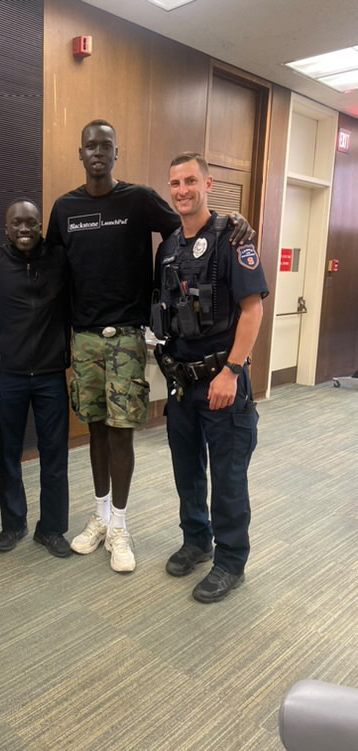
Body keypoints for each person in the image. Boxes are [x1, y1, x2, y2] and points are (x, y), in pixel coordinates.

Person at [46, 120, 254, 573]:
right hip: (83, 340)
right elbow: (47, 266)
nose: (98, 153)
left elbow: (190, 228)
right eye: (90, 147)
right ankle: (100, 517)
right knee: (95, 431)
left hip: (124, 337)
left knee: (121, 433)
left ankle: (120, 525)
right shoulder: (64, 208)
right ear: (80, 153)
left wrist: (232, 220)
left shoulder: (138, 199)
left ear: (116, 152)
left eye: (106, 146)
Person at [152, 152, 268, 602]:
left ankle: (231, 561)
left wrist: (232, 372)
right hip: (182, 383)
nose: (182, 190)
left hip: (222, 381)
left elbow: (252, 310)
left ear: (208, 183)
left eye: (190, 181)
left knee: (228, 475)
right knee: (187, 471)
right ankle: (197, 541)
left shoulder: (233, 239)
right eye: (175, 183)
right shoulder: (169, 247)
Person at [0, 199, 72, 558]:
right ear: (6, 228)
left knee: (54, 456)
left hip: (50, 377)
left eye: (31, 222)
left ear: (40, 226)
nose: (25, 229)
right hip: (9, 376)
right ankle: (14, 524)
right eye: (17, 223)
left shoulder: (59, 259)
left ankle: (52, 528)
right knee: (9, 455)